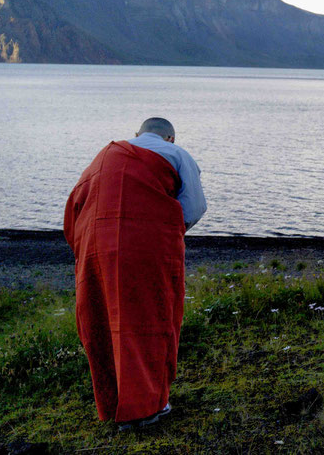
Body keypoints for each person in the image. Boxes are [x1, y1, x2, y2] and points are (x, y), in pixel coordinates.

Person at [64, 117, 206, 430]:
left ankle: (114, 405)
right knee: (151, 318)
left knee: (103, 320)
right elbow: (194, 207)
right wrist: (164, 229)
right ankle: (148, 407)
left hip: (95, 247)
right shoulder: (177, 154)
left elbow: (76, 202)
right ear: (170, 137)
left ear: (136, 134)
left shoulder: (104, 155)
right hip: (146, 245)